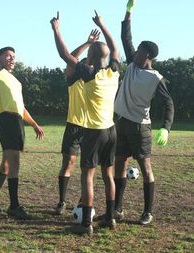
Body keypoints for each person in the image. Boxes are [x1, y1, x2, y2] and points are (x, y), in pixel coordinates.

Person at [51, 11, 120, 236]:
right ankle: (110, 218)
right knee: (108, 175)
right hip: (111, 130)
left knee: (87, 176)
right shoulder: (113, 73)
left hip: (94, 132)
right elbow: (114, 47)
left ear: (89, 60)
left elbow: (64, 54)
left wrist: (57, 30)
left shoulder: (89, 76)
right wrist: (102, 24)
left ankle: (86, 225)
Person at [112, 0, 175, 225]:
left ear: (146, 54)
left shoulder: (155, 78)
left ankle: (147, 212)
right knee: (119, 164)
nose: (134, 51)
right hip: (121, 124)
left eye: (138, 50)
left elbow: (168, 104)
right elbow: (125, 38)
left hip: (140, 127)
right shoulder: (131, 65)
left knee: (145, 167)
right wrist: (128, 13)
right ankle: (117, 209)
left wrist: (165, 128)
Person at [0, 16, 45, 220]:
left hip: (16, 121)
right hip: (7, 121)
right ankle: (14, 206)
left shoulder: (16, 81)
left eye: (13, 55)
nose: (11, 58)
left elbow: (21, 108)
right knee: (14, 162)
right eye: (7, 55)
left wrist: (34, 124)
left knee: (7, 164)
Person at [55, 29, 101, 215]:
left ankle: (84, 201)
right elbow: (70, 57)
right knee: (69, 163)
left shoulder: (97, 80)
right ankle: (61, 202)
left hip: (93, 127)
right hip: (74, 125)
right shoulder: (73, 80)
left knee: (90, 167)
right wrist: (88, 43)